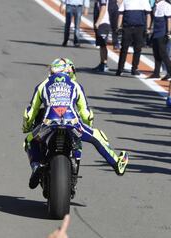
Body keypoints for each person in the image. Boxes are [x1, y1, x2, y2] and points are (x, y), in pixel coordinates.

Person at [23, 58, 129, 189]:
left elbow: (30, 113)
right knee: (97, 136)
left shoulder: (42, 85)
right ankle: (117, 164)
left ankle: (36, 166)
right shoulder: (75, 85)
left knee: (29, 141)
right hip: (73, 123)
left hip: (48, 124)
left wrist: (27, 127)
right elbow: (86, 114)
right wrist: (88, 126)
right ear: (70, 70)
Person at [116, 0, 152, 76]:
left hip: (139, 27)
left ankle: (134, 68)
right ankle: (120, 68)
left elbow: (148, 14)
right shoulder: (125, 1)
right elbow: (121, 14)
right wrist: (118, 26)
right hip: (127, 27)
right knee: (124, 48)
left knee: (138, 49)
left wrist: (148, 28)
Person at [148, 0, 171, 79]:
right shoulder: (156, 5)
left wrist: (168, 32)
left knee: (163, 54)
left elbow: (169, 20)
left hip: (162, 32)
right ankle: (156, 72)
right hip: (156, 32)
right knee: (156, 53)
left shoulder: (166, 5)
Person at [93, 0, 111, 72]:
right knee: (101, 45)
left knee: (103, 44)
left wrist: (98, 22)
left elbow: (103, 9)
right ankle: (102, 63)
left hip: (103, 23)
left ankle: (105, 64)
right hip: (101, 23)